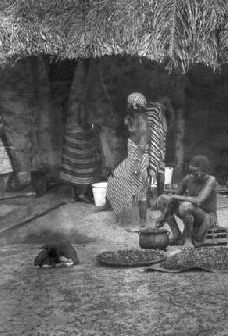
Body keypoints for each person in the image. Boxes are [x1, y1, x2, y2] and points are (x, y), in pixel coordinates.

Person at [106, 92, 150, 228]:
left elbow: (142, 143)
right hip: (133, 156)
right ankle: (124, 218)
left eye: (133, 104)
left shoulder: (142, 120)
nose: (131, 107)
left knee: (139, 189)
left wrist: (137, 164)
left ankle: (141, 222)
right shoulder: (132, 118)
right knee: (117, 180)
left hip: (140, 157)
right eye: (131, 104)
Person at [155, 155, 218, 247]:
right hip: (190, 211)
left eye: (195, 172)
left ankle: (188, 239)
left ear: (204, 172)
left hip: (206, 217)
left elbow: (199, 200)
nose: (192, 175)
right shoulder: (188, 179)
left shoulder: (211, 180)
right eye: (191, 171)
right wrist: (163, 216)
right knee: (162, 199)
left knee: (186, 206)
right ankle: (177, 235)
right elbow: (173, 200)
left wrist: (176, 197)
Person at [60, 121, 102, 203]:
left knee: (71, 171)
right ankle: (79, 195)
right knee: (79, 171)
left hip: (72, 150)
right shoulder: (89, 132)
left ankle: (76, 195)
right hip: (74, 149)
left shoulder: (71, 130)